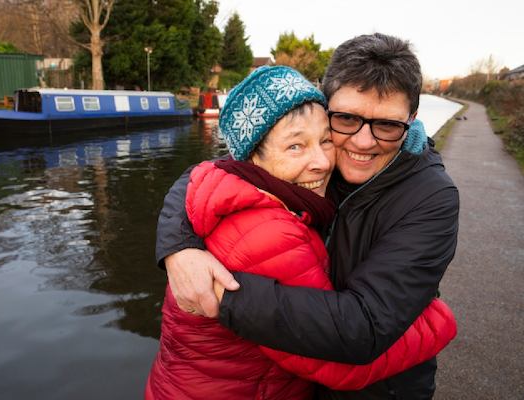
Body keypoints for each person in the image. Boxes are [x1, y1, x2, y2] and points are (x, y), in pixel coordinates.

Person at [156, 34, 460, 399]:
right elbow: (205, 176)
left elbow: (363, 328)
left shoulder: (430, 198)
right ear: (325, 107)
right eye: (346, 119)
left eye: (387, 126)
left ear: (412, 120)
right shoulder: (307, 175)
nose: (363, 142)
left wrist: (221, 296)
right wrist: (179, 247)